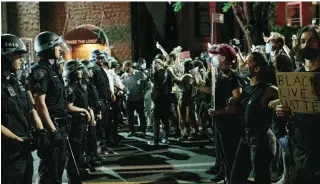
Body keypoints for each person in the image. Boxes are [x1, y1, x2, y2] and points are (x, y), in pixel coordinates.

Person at [275, 24, 320, 184]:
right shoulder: (294, 76)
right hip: (300, 143)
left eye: (312, 40)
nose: (307, 45)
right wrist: (283, 110)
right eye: (302, 41)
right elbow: (289, 109)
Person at [1, 33, 48, 184]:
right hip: (7, 155)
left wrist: (41, 131)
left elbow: (31, 109)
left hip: (24, 152)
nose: (22, 59)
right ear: (6, 56)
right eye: (18, 55)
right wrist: (19, 141)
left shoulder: (18, 81)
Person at [230, 52, 279, 184]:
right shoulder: (246, 88)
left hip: (260, 139)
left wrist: (278, 102)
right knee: (236, 178)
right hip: (245, 137)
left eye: (247, 63)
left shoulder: (269, 90)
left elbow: (288, 101)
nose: (244, 65)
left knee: (261, 178)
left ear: (257, 68)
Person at [29, 31, 71, 184]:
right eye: (57, 45)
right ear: (48, 48)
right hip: (51, 128)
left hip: (60, 126)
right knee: (49, 173)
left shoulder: (53, 70)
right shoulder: (41, 70)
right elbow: (40, 104)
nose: (60, 48)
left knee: (58, 171)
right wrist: (53, 130)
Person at [207, 44, 245, 183]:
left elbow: (236, 103)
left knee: (231, 157)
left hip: (230, 125)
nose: (213, 58)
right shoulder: (221, 75)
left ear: (223, 57)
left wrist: (218, 112)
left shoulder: (234, 77)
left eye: (215, 55)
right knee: (224, 156)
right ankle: (227, 178)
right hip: (221, 123)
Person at [90, 49, 116, 148]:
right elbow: (93, 89)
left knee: (105, 124)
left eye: (101, 58)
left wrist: (111, 93)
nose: (101, 60)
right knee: (100, 126)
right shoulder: (93, 71)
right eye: (98, 58)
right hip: (100, 102)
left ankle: (104, 143)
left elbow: (106, 85)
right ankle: (100, 146)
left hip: (106, 101)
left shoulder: (101, 70)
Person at [121, 60, 148, 137]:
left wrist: (144, 92)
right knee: (130, 116)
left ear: (130, 66)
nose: (124, 69)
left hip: (139, 98)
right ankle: (132, 131)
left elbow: (147, 82)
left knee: (141, 115)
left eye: (125, 68)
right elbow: (121, 85)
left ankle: (143, 131)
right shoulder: (123, 76)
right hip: (129, 99)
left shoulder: (139, 73)